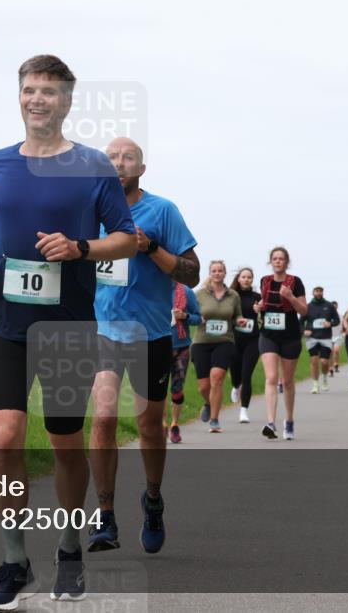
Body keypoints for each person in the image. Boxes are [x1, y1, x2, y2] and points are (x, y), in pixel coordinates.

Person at [0, 55, 138, 610]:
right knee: (5, 435)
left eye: (47, 91)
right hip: (3, 320)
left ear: (66, 101)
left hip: (66, 325)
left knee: (65, 444)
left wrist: (79, 248)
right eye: (28, 90)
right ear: (18, 96)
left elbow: (127, 238)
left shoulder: (92, 167)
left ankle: (68, 550)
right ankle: (14, 562)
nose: (36, 99)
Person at [88, 137, 200, 556]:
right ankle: (105, 516)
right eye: (111, 157)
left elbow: (191, 274)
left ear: (142, 167)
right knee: (102, 419)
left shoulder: (162, 210)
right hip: (102, 332)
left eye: (128, 157)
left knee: (150, 426)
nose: (119, 162)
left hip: (150, 334)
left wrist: (150, 248)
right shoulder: (91, 210)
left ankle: (153, 499)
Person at [253, 247, 308, 440]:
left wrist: (290, 297)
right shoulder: (265, 281)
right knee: (271, 377)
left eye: (281, 259)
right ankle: (270, 423)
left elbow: (304, 311)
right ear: (270, 262)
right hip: (268, 335)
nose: (278, 261)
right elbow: (264, 305)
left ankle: (289, 420)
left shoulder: (295, 282)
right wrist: (258, 307)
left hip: (290, 336)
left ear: (286, 262)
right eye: (274, 259)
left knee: (288, 381)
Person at [191, 260, 248, 433]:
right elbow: (193, 315)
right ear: (210, 273)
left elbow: (237, 315)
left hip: (224, 341)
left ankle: (215, 420)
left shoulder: (233, 295)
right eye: (214, 271)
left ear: (224, 273)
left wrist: (240, 321)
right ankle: (208, 403)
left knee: (217, 377)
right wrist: (195, 317)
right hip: (201, 342)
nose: (217, 273)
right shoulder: (199, 294)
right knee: (203, 386)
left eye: (220, 270)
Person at [166, 281, 202, 443]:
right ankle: (161, 424)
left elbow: (199, 318)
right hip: (157, 345)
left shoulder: (185, 291)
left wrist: (185, 316)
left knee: (177, 389)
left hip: (181, 347)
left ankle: (174, 424)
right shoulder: (151, 288)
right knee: (156, 391)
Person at [229, 267, 262, 424]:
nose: (247, 279)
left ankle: (244, 411)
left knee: (247, 374)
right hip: (234, 339)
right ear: (239, 278)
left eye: (249, 277)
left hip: (253, 339)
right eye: (244, 277)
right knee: (236, 373)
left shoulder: (257, 297)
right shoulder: (231, 295)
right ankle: (235, 386)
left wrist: (259, 310)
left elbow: (265, 315)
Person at [302, 286, 340, 393]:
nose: (318, 293)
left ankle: (324, 378)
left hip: (325, 338)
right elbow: (300, 322)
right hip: (312, 338)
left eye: (320, 291)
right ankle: (315, 385)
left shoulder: (329, 306)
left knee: (324, 362)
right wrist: (304, 331)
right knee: (314, 361)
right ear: (313, 293)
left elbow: (337, 320)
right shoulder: (307, 307)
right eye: (316, 291)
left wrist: (330, 323)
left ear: (322, 293)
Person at [329, 300, 343, 375]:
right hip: (329, 336)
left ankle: (336, 363)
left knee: (336, 350)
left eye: (335, 306)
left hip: (338, 336)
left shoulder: (340, 316)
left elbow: (344, 325)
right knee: (330, 352)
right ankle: (331, 368)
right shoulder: (327, 316)